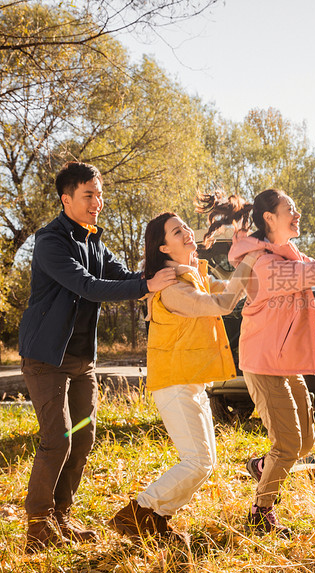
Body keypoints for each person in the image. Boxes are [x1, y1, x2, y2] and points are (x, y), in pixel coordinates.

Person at [18, 162, 176, 553]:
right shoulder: (51, 241)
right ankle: (37, 528)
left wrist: (161, 274)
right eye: (89, 195)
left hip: (80, 359)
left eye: (99, 194)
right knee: (57, 440)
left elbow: (120, 274)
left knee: (84, 437)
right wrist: (145, 285)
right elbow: (87, 286)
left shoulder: (93, 241)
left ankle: (61, 517)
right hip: (46, 357)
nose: (97, 202)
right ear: (66, 198)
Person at [199, 189, 315, 536]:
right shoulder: (266, 264)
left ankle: (263, 466)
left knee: (304, 443)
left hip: (286, 363)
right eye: (290, 208)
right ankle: (260, 511)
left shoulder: (287, 257)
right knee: (288, 444)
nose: (298, 213)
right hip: (264, 364)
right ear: (269, 218)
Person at [107, 212, 259, 545]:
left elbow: (237, 288)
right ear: (164, 246)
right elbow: (221, 303)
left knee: (205, 462)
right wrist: (248, 261)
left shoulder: (192, 277)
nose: (188, 232)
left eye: (186, 227)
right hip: (174, 385)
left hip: (190, 383)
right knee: (198, 461)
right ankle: (137, 512)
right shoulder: (173, 289)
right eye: (178, 231)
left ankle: (156, 518)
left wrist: (253, 258)